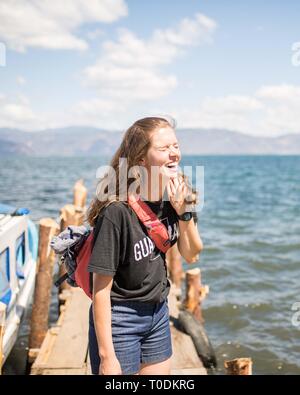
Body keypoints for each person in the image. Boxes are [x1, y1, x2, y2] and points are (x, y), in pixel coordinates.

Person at [87, 116, 203, 375]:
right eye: (164, 149)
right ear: (141, 158)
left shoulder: (174, 196)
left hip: (159, 312)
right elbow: (101, 291)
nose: (174, 154)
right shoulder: (117, 211)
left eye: (176, 146)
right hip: (121, 319)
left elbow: (191, 254)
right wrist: (107, 357)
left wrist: (183, 212)